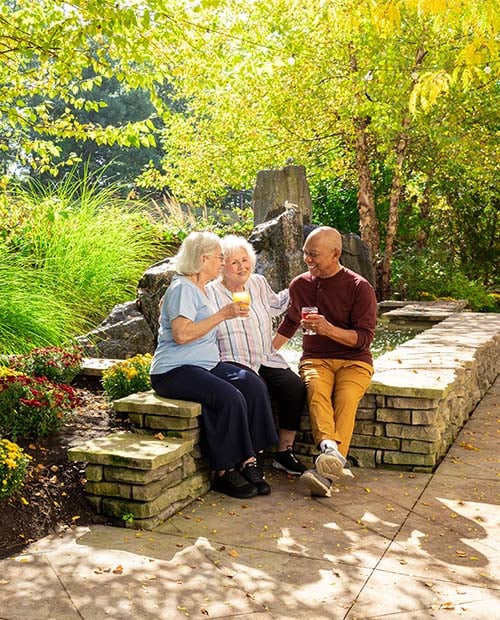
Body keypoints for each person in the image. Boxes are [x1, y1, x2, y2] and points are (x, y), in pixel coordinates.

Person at [150, 231, 279, 500]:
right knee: (229, 397)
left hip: (204, 365)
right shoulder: (183, 287)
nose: (222, 262)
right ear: (203, 258)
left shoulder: (199, 288)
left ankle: (249, 459)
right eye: (220, 257)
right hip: (174, 370)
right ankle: (224, 470)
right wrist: (223, 314)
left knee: (251, 384)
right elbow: (182, 334)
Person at [272, 226, 377, 497]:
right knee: (316, 389)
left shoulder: (359, 287)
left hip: (355, 361)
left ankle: (326, 474)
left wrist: (328, 329)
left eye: (314, 254)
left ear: (335, 254)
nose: (308, 259)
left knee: (347, 398)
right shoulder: (300, 284)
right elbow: (290, 323)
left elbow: (364, 339)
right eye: (306, 253)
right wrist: (264, 353)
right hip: (316, 359)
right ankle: (331, 449)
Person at [206, 235, 307, 476]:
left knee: (294, 386)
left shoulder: (258, 283)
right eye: (235, 262)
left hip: (264, 357)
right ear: (222, 266)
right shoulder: (210, 293)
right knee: (254, 389)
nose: (242, 267)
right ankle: (251, 456)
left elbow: (276, 305)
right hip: (233, 360)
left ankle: (285, 451)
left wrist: (300, 285)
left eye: (245, 260)